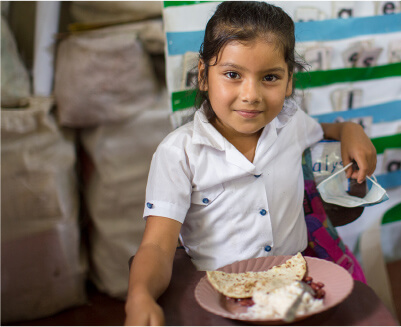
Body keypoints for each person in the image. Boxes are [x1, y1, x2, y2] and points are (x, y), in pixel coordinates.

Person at [125, 1, 376, 325]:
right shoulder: (178, 153)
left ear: (289, 82)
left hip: (295, 282)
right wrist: (140, 296)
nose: (251, 94)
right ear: (203, 75)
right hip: (218, 295)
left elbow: (329, 130)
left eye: (269, 77)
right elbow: (157, 247)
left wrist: (350, 130)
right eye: (232, 74)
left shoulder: (292, 123)